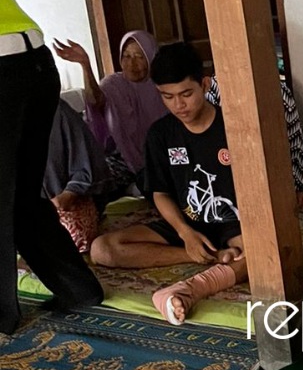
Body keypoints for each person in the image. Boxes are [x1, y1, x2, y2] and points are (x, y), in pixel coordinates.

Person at [89, 42, 246, 325]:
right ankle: (203, 257)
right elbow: (159, 192)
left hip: (234, 222)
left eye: (186, 94)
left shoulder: (233, 126)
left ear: (205, 84)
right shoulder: (160, 134)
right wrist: (185, 233)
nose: (179, 105)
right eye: (167, 96)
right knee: (102, 249)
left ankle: (193, 288)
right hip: (187, 221)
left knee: (267, 254)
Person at [0, 0, 104, 334]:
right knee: (24, 199)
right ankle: (78, 290)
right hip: (39, 68)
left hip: (4, 74)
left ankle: (3, 314)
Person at [53, 30, 167, 195]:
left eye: (139, 57)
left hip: (157, 160)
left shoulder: (162, 87)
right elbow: (95, 100)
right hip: (120, 159)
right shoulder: (114, 84)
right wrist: (85, 65)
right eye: (126, 56)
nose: (131, 64)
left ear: (151, 57)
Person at [205, 75, 303, 211]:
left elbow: (293, 142)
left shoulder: (276, 89)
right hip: (227, 186)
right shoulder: (209, 93)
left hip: (272, 179)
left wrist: (300, 187)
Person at [43, 99, 115, 253]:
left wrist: (68, 195)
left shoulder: (56, 111)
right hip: (19, 211)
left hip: (62, 203)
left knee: (69, 240)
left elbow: (87, 164)